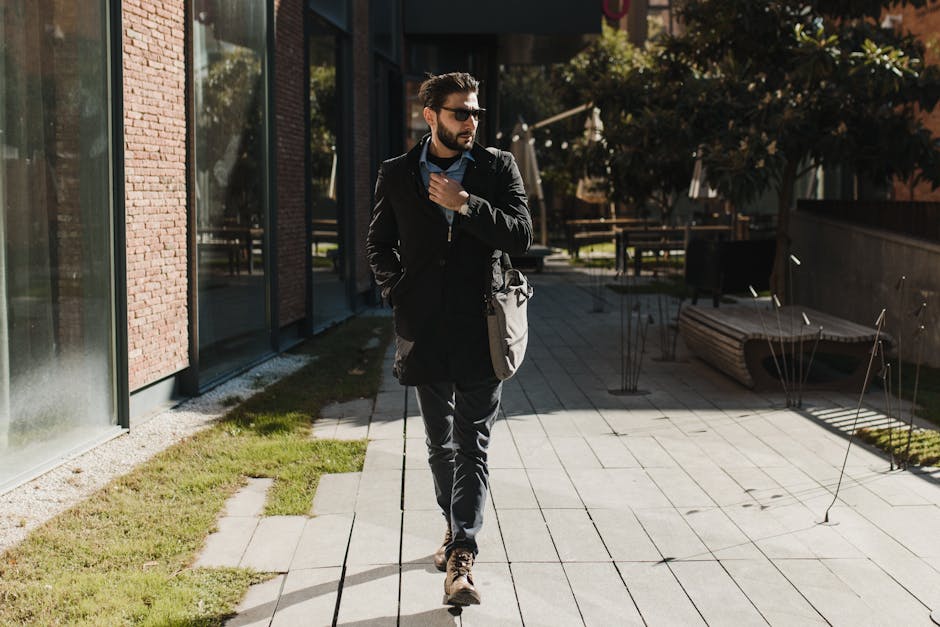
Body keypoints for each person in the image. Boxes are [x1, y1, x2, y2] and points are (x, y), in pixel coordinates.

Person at [366, 72, 532, 606]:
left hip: (483, 328)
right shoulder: (396, 174)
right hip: (424, 330)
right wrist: (399, 294)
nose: (472, 122)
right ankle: (452, 525)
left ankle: (462, 553)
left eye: (476, 112)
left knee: (473, 443)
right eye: (461, 112)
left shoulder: (497, 167)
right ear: (430, 116)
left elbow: (521, 236)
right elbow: (379, 245)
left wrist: (467, 204)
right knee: (439, 444)